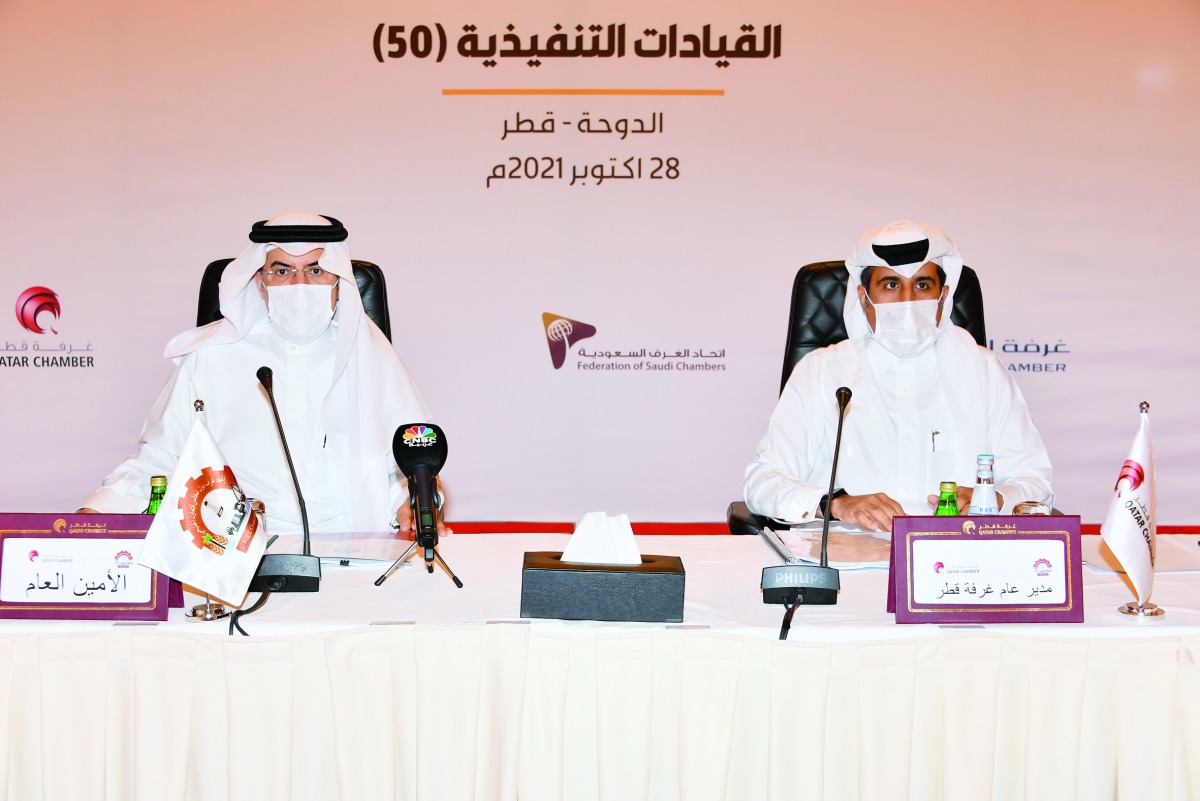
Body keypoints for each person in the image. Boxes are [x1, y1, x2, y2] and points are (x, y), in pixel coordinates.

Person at [82, 211, 442, 534]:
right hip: (234, 546)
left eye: (316, 270)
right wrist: (97, 514)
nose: (299, 284)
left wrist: (413, 506)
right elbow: (161, 457)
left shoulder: (372, 355)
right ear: (259, 282)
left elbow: (410, 463)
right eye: (282, 271)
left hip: (353, 543)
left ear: (339, 283)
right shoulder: (210, 356)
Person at [743, 221, 1052, 532]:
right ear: (864, 298)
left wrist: (994, 498)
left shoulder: (984, 371)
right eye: (891, 285)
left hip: (955, 549)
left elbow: (1035, 482)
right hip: (842, 550)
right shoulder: (822, 371)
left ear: (943, 296)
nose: (908, 300)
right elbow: (763, 482)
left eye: (922, 285)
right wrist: (834, 504)